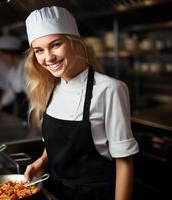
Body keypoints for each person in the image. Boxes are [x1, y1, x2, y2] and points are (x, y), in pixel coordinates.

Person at [23, 6, 139, 200]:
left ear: (74, 42)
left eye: (55, 45)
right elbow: (59, 144)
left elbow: (124, 162)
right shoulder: (50, 87)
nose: (48, 57)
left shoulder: (109, 89)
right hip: (57, 191)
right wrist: (42, 161)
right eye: (39, 50)